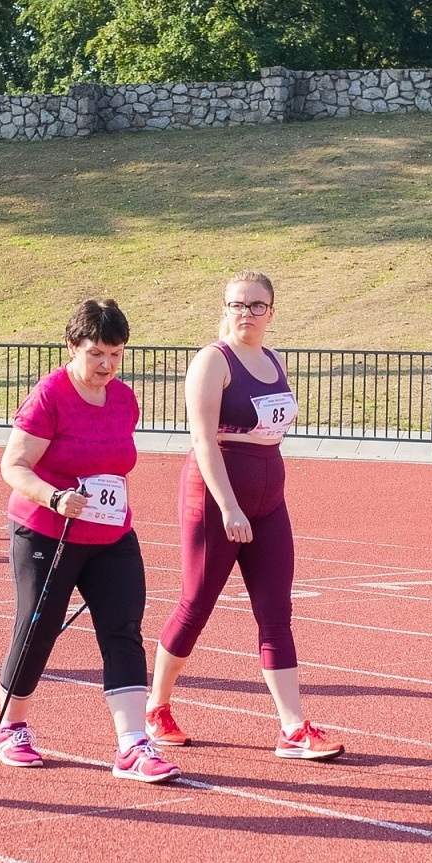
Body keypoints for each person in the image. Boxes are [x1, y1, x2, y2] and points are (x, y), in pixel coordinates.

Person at [146, 272, 344, 760]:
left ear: (272, 311)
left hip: (269, 501)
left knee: (277, 612)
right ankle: (156, 708)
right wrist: (230, 505)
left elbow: (269, 434)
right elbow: (203, 441)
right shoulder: (213, 361)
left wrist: (259, 496)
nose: (247, 314)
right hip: (216, 498)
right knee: (196, 605)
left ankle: (293, 728)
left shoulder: (274, 360)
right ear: (225, 308)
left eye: (257, 306)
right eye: (238, 305)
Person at [0, 299, 182, 783]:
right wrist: (54, 498)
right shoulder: (49, 396)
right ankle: (13, 725)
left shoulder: (124, 398)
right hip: (46, 530)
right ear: (72, 346)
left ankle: (132, 744)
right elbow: (13, 466)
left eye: (116, 354)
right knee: (38, 628)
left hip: (111, 530)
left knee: (123, 629)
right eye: (96, 352)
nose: (107, 365)